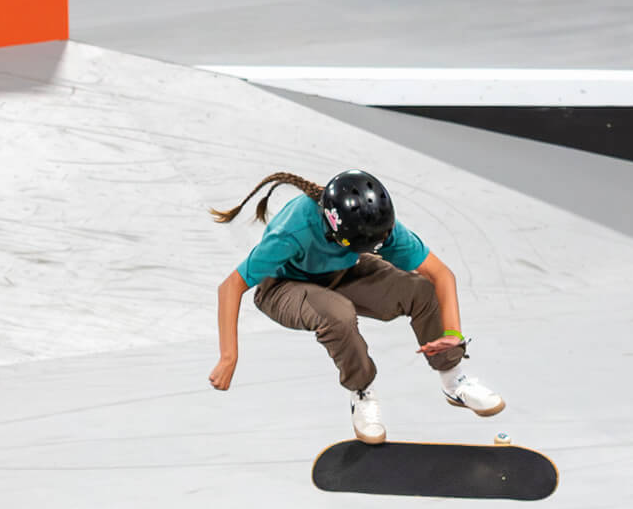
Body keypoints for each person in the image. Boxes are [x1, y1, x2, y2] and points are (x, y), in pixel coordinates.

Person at [209, 168, 504, 443]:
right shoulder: (291, 233)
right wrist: (228, 356)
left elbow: (441, 274)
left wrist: (453, 334)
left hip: (342, 272)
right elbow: (231, 286)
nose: (382, 245)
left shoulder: (373, 224)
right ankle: (361, 391)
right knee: (338, 314)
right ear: (336, 234)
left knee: (421, 290)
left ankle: (454, 382)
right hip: (283, 287)